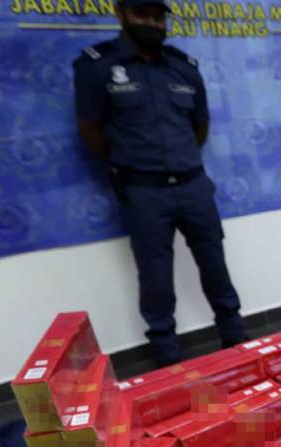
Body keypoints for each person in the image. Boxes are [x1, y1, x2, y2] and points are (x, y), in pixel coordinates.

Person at [72, 0, 245, 367]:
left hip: (193, 185)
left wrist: (178, 164)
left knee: (215, 262)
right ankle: (167, 357)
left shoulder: (184, 68)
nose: (151, 23)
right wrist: (134, 164)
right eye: (142, 15)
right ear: (121, 13)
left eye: (157, 17)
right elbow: (90, 131)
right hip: (144, 192)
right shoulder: (98, 66)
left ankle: (236, 340)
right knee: (155, 275)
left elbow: (200, 127)